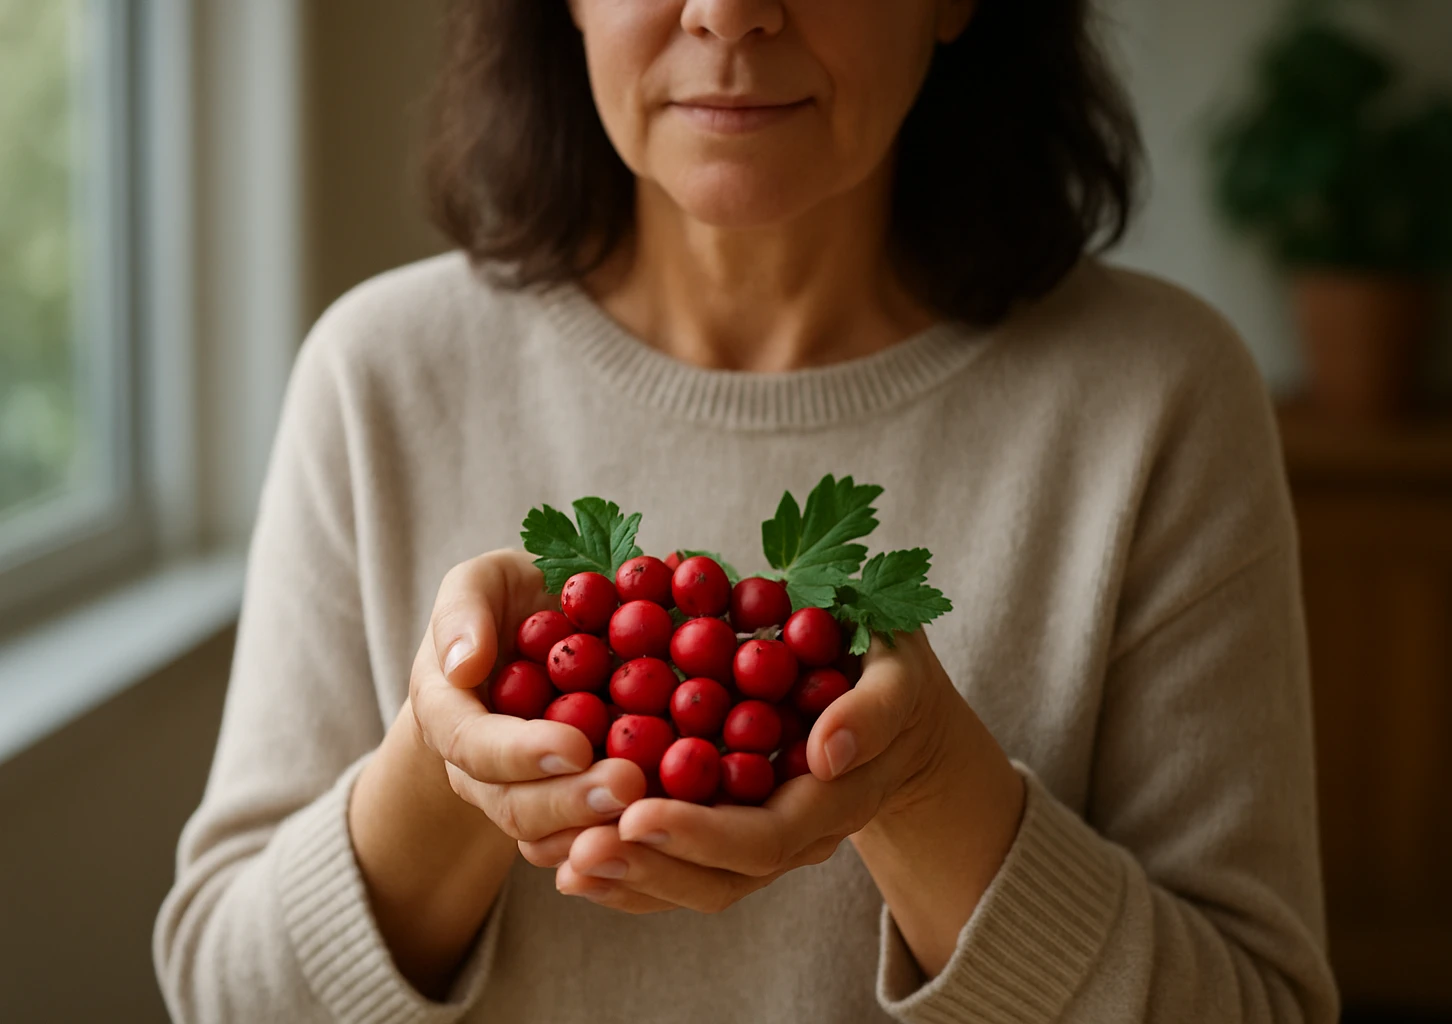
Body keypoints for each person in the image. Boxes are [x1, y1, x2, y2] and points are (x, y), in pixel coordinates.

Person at [154, 1, 1340, 1021]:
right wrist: (445, 756)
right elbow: (225, 992)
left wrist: (928, 782)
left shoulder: (1162, 396)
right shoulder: (377, 375)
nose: (728, 9)